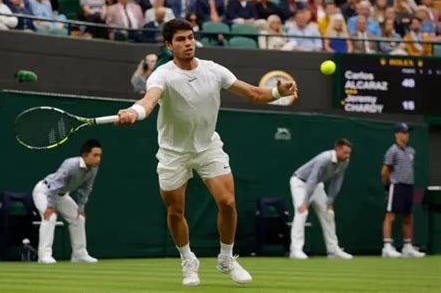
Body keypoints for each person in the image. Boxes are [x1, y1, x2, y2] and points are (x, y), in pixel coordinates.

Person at [115, 18, 298, 286]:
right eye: (180, 39)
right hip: (173, 153)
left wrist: (277, 91)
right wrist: (134, 111)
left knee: (227, 202)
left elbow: (255, 94)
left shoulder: (213, 70)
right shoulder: (162, 74)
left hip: (208, 147)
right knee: (175, 211)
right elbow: (149, 100)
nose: (188, 43)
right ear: (169, 45)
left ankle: (226, 258)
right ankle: (188, 260)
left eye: (190, 37)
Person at [32, 139, 102, 264]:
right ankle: (44, 256)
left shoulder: (93, 169)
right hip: (44, 191)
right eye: (95, 155)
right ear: (85, 155)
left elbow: (86, 189)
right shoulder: (71, 164)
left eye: (100, 155)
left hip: (62, 195)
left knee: (79, 218)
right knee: (50, 217)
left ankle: (79, 254)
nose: (98, 159)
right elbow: (55, 185)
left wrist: (81, 208)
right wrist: (50, 206)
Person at [289, 139, 353, 260]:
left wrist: (330, 200)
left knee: (329, 213)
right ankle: (295, 250)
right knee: (302, 213)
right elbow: (312, 179)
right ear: (337, 149)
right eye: (345, 152)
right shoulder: (324, 159)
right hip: (300, 183)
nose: (347, 155)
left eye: (349, 153)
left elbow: (337, 181)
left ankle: (333, 250)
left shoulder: (344, 161)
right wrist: (304, 202)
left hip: (316, 185)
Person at [381, 123, 425, 258]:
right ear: (397, 134)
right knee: (391, 216)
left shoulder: (412, 151)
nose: (407, 135)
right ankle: (387, 247)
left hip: (409, 187)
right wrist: (388, 187)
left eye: (407, 132)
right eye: (404, 132)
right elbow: (384, 172)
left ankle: (407, 247)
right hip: (396, 185)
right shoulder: (392, 151)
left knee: (408, 216)